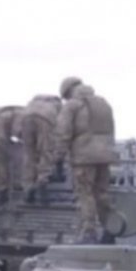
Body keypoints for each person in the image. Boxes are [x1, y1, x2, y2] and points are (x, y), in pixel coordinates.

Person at [55, 76, 116, 243]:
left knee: (84, 193)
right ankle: (110, 230)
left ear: (68, 92)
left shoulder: (72, 105)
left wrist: (58, 158)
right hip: (105, 155)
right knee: (102, 193)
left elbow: (63, 133)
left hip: (83, 157)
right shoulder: (103, 103)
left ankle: (88, 233)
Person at [17, 94, 62, 204]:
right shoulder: (57, 105)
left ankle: (28, 188)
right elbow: (62, 126)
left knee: (29, 154)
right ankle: (42, 183)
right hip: (46, 118)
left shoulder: (32, 102)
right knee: (46, 151)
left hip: (26, 117)